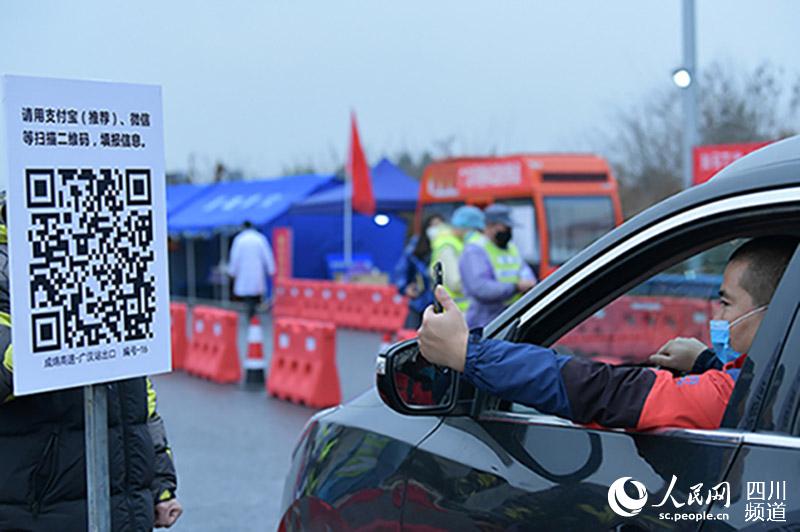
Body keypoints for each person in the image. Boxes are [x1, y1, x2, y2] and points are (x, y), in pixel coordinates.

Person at [418, 236, 798, 431]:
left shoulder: (735, 395)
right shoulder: (774, 382)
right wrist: (705, 361)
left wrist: (468, 353)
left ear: (776, 312)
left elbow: (606, 392)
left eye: (726, 304)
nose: (717, 314)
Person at [0, 205, 182, 530]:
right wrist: (64, 316)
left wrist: (159, 482)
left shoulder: (109, 259)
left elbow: (141, 397)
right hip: (40, 512)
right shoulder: (8, 271)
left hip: (124, 511)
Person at [460, 204, 537, 329]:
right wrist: (515, 287)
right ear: (490, 226)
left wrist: (529, 283)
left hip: (511, 318)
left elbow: (525, 273)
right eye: (505, 227)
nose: (509, 231)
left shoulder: (511, 248)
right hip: (484, 323)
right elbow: (480, 288)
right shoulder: (475, 250)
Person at [392, 214, 445, 329]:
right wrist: (405, 287)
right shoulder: (416, 247)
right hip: (419, 301)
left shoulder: (446, 246)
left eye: (439, 226)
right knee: (412, 337)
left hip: (439, 303)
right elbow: (402, 269)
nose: (435, 229)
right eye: (432, 225)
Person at [429, 206, 485, 312]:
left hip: (463, 311)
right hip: (456, 312)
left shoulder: (459, 243)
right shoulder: (447, 247)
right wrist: (481, 287)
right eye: (475, 230)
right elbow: (455, 283)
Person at [228, 220, 276, 319]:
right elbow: (267, 255)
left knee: (248, 295)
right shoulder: (260, 238)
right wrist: (271, 269)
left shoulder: (239, 239)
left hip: (244, 272)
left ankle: (250, 315)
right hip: (256, 271)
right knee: (255, 294)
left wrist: (232, 271)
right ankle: (253, 315)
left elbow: (234, 257)